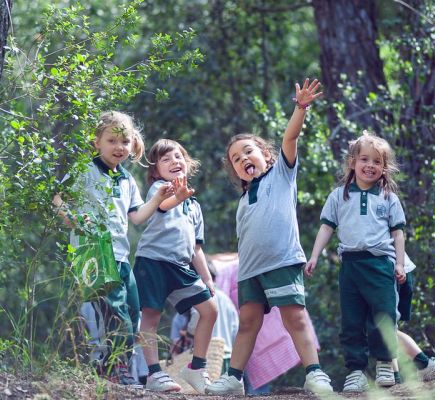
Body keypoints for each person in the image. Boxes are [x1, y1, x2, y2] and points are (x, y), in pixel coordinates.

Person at [206, 79, 334, 396]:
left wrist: (300, 107)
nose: (243, 159)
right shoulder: (242, 201)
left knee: (295, 317)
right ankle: (234, 378)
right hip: (251, 271)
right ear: (235, 171)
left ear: (265, 154)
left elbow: (290, 136)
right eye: (236, 159)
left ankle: (315, 373)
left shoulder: (281, 176)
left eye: (248, 151)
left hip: (282, 260)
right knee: (247, 322)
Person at [52, 111, 174, 387]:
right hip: (93, 253)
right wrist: (72, 218)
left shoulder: (127, 179)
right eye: (112, 141)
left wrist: (158, 198)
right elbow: (59, 198)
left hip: (120, 256)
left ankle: (112, 366)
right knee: (115, 313)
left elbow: (137, 217)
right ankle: (114, 368)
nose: (119, 147)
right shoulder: (85, 170)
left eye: (125, 141)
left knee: (132, 312)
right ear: (97, 142)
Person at [305, 131, 407, 393]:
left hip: (380, 264)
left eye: (376, 162)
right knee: (351, 320)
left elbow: (398, 233)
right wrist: (314, 256)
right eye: (364, 159)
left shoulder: (388, 198)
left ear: (384, 168)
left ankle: (385, 363)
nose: (370, 165)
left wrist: (398, 264)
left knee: (383, 314)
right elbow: (327, 228)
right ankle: (356, 371)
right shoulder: (339, 196)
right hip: (350, 265)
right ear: (352, 162)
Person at [134, 139, 218, 393]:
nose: (174, 162)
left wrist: (207, 279)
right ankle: (154, 374)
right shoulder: (159, 189)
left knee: (211, 310)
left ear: (187, 163)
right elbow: (162, 206)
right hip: (153, 262)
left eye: (178, 156)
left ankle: (196, 369)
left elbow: (196, 249)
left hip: (181, 267)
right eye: (165, 159)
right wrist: (176, 196)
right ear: (156, 170)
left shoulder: (194, 206)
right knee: (151, 316)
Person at [187, 261, 239, 375]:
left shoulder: (200, 298)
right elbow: (236, 328)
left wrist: (189, 332)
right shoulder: (226, 299)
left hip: (207, 355)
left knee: (205, 390)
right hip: (227, 354)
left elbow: (194, 321)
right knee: (225, 391)